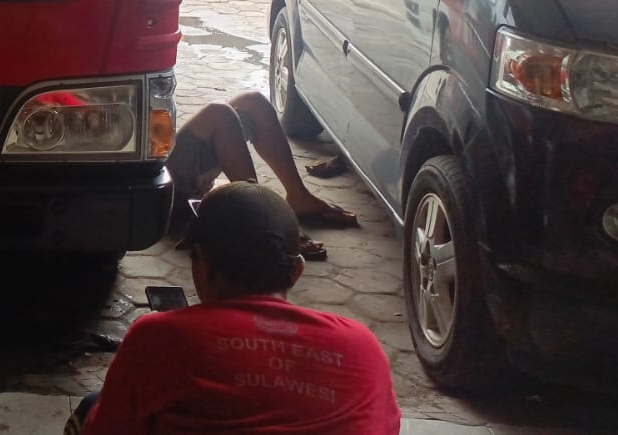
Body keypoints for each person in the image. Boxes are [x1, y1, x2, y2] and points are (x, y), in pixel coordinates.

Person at [70, 183, 401, 434]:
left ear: (201, 264)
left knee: (91, 406)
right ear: (297, 271)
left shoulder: (157, 340)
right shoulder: (363, 348)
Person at [167, 91, 358, 260]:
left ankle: (298, 196)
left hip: (171, 163)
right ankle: (262, 218)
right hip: (164, 193)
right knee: (219, 114)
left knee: (254, 102)